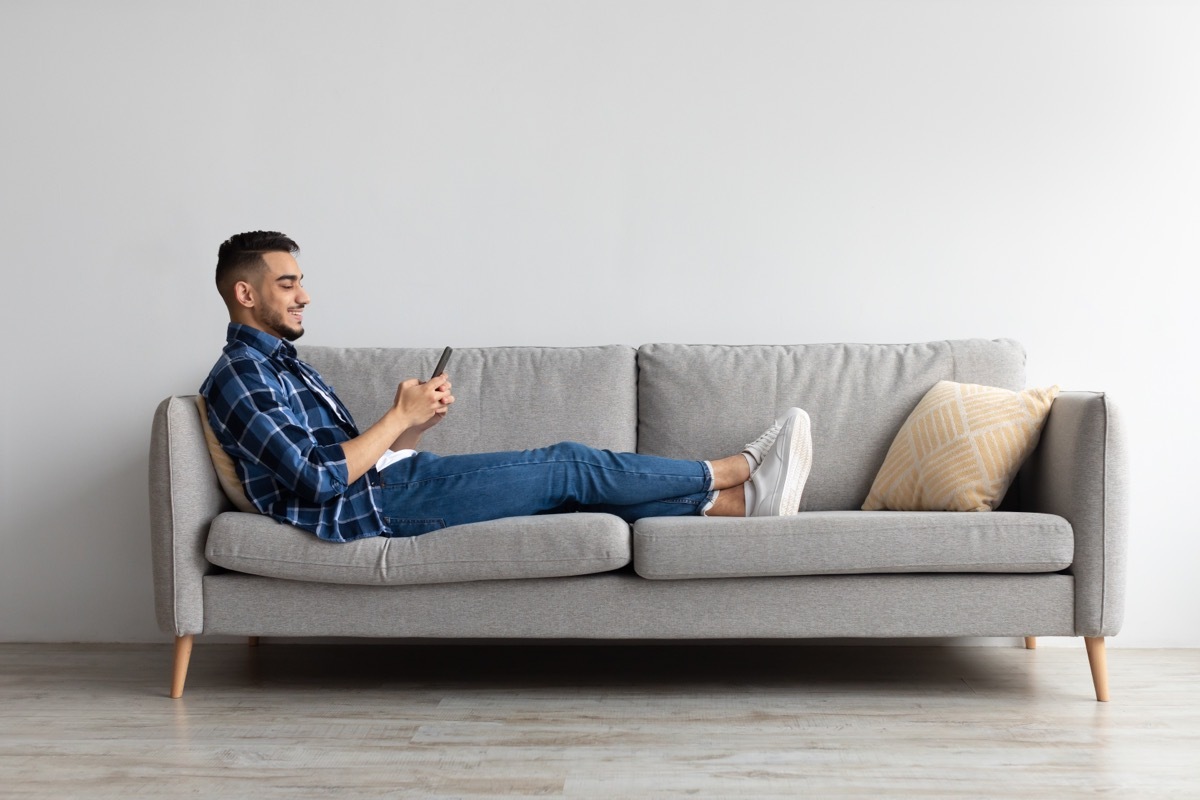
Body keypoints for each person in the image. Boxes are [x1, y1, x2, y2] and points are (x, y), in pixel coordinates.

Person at [200, 231, 813, 543]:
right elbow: (315, 478)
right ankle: (731, 471)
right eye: (287, 283)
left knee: (574, 489)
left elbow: (342, 457)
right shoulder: (239, 376)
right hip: (377, 508)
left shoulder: (283, 364)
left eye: (302, 279)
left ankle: (735, 506)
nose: (305, 294)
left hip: (393, 481)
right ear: (245, 294)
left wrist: (411, 423)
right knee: (569, 467)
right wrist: (393, 421)